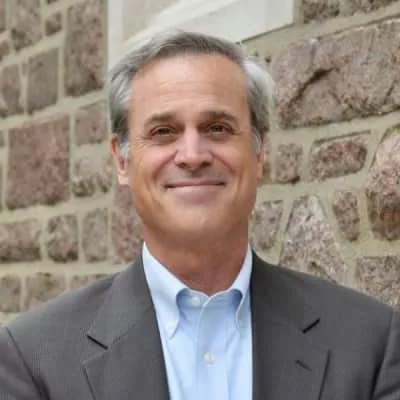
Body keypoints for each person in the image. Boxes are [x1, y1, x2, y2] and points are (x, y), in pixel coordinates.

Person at [0, 30, 399, 400]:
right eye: (163, 131)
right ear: (121, 160)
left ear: (259, 153)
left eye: (217, 128)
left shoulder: (371, 344)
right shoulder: (33, 362)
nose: (192, 156)